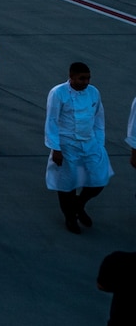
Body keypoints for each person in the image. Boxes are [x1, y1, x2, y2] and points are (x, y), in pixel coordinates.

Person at [48, 62, 113, 233]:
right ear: (71, 77)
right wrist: (56, 148)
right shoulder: (58, 93)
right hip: (67, 143)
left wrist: (100, 144)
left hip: (90, 142)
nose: (86, 82)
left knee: (99, 179)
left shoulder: (93, 92)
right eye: (81, 78)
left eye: (88, 78)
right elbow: (52, 121)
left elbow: (99, 119)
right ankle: (70, 218)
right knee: (67, 183)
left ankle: (78, 205)